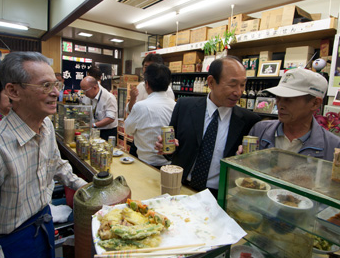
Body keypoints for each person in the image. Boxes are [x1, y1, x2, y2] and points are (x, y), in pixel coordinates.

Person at [0, 52, 87, 258]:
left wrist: (84, 187)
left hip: (43, 224)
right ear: (13, 91)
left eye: (56, 85)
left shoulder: (46, 126)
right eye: (45, 86)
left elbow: (56, 164)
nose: (56, 93)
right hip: (12, 242)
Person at [155, 56, 260, 197]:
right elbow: (173, 149)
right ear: (211, 82)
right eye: (232, 84)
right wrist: (166, 149)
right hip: (181, 187)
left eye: (242, 85)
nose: (238, 92)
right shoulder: (184, 106)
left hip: (221, 195)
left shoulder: (249, 121)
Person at [239, 68, 340, 161]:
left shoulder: (333, 146)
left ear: (315, 103)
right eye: (278, 98)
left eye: (289, 99)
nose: (280, 105)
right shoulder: (260, 130)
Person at [124, 63, 175, 168]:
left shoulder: (140, 106)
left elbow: (128, 130)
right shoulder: (176, 105)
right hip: (170, 164)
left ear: (147, 84)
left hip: (145, 163)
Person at [80, 76, 118, 141]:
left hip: (107, 132)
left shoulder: (109, 97)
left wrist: (93, 125)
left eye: (85, 91)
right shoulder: (89, 95)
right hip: (95, 130)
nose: (84, 93)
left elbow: (110, 118)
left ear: (95, 87)